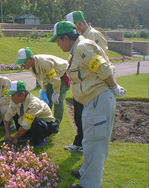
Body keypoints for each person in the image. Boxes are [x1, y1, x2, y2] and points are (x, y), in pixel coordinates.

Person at [49, 21, 126, 188]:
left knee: (95, 144)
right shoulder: (77, 48)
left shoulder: (82, 47)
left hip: (98, 99)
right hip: (93, 100)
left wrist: (114, 86)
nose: (57, 44)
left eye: (58, 40)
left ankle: (89, 185)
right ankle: (86, 173)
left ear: (67, 37)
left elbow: (102, 67)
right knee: (90, 142)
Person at [64, 11, 110, 151]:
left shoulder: (93, 36)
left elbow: (101, 61)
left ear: (78, 24)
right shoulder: (81, 38)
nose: (74, 31)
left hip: (92, 86)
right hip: (83, 85)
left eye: (74, 27)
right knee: (79, 114)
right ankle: (80, 142)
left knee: (87, 118)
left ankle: (84, 144)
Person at [16, 47, 70, 132]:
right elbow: (41, 78)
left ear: (30, 59)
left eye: (24, 62)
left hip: (62, 75)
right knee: (48, 100)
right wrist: (44, 89)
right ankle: (48, 122)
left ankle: (56, 125)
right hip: (52, 78)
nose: (23, 65)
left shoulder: (43, 63)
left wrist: (56, 92)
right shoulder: (32, 66)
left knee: (58, 101)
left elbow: (55, 78)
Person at [4, 80, 57, 147]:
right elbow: (8, 115)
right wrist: (7, 133)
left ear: (23, 94)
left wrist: (15, 137)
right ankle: (25, 136)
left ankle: (40, 140)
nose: (12, 97)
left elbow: (26, 124)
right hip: (29, 124)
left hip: (46, 125)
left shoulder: (34, 103)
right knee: (14, 113)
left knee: (32, 119)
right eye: (11, 95)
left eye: (13, 95)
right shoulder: (15, 101)